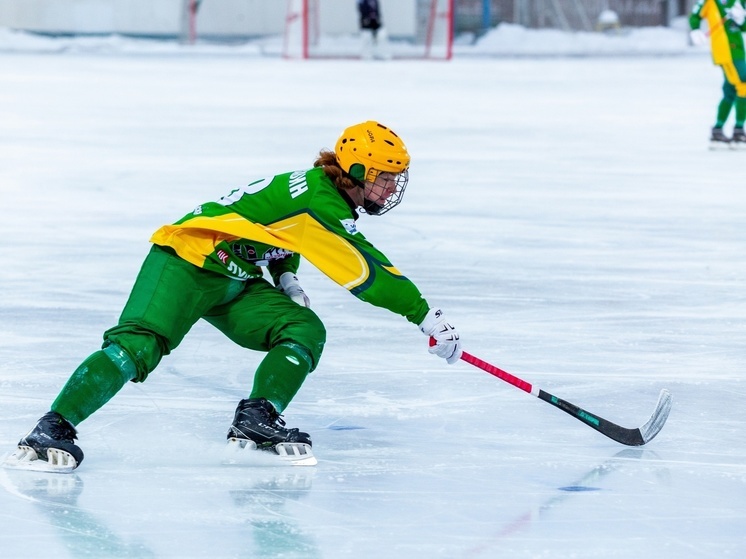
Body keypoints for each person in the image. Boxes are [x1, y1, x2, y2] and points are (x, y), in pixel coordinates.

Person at [6, 121, 462, 472]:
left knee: (302, 327)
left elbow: (286, 233)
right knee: (136, 348)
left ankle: (257, 416)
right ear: (356, 172)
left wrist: (286, 276)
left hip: (234, 274)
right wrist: (423, 315)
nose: (390, 188)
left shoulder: (322, 190)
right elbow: (369, 272)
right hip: (187, 259)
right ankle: (51, 429)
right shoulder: (322, 204)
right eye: (384, 178)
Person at [690, 0, 746, 148]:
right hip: (724, 51)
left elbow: (744, 28)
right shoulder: (709, 1)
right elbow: (695, 15)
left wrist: (741, 19)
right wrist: (695, 29)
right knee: (744, 85)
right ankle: (739, 132)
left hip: (738, 51)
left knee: (730, 91)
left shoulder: (739, 1)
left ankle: (717, 131)